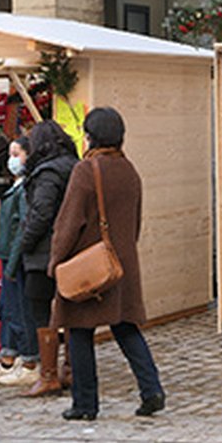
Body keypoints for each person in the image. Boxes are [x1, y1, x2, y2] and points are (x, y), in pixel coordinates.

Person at [50, 107, 165, 421]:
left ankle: (85, 404)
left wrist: (56, 261)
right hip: (121, 262)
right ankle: (151, 389)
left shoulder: (86, 170)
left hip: (88, 266)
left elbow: (69, 223)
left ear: (90, 136)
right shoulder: (129, 170)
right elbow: (135, 222)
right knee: (126, 327)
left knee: (79, 332)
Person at [21, 120, 79, 397]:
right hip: (73, 250)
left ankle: (48, 374)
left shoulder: (46, 173)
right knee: (69, 309)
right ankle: (71, 369)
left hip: (45, 253)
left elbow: (41, 214)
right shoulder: (75, 166)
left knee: (41, 312)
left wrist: (25, 242)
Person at [0, 136, 41, 386]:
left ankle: (29, 360)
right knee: (7, 308)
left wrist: (14, 259)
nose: (12, 159)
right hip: (7, 255)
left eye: (17, 154)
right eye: (10, 154)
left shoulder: (26, 189)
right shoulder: (16, 186)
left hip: (17, 259)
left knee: (20, 310)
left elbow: (23, 227)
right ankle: (9, 357)